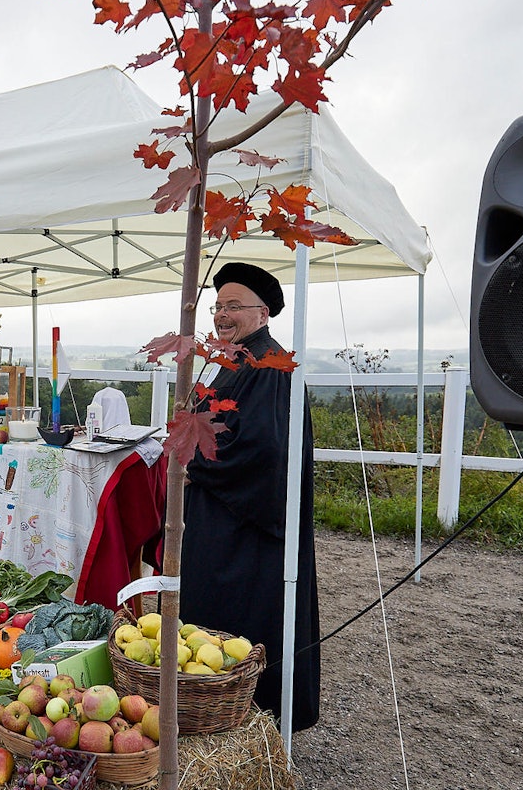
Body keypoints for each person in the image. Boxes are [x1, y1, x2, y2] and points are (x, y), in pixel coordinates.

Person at [179, 261, 320, 732]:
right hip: (219, 518)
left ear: (263, 314)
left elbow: (261, 452)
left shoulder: (269, 367)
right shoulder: (234, 359)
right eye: (218, 306)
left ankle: (247, 712)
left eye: (233, 307)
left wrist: (190, 458)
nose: (221, 315)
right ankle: (213, 705)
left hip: (244, 534)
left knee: (241, 627)